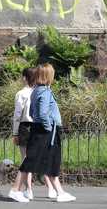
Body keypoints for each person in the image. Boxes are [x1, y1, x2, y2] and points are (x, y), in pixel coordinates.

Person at [19, 64, 75, 203]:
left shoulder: (35, 91)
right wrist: (48, 127)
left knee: (44, 160)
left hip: (39, 128)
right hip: (47, 130)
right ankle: (17, 190)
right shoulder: (45, 92)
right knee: (44, 160)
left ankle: (58, 191)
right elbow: (43, 113)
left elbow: (32, 112)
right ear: (48, 75)